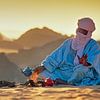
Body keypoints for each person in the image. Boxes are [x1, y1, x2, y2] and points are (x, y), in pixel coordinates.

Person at [26, 17, 100, 86]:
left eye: (83, 31)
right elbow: (55, 57)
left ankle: (68, 83)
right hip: (65, 72)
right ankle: (61, 81)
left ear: (89, 33)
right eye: (79, 30)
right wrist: (43, 67)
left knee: (81, 70)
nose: (80, 33)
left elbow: (95, 62)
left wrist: (86, 63)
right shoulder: (68, 43)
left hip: (81, 73)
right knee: (42, 73)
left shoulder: (93, 45)